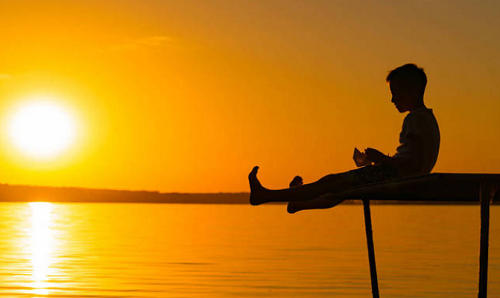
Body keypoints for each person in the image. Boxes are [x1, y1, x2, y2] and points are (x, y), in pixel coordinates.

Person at [249, 63, 440, 213]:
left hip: (397, 177)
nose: (392, 100)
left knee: (330, 182)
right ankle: (297, 204)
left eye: (396, 94)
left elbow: (412, 162)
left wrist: (382, 159)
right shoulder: (427, 118)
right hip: (402, 177)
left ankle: (266, 195)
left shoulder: (415, 118)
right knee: (338, 190)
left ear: (412, 90)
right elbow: (416, 161)